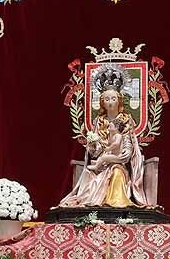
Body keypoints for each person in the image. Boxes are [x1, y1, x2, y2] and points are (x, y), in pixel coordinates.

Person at [59, 64, 148, 208]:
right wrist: (94, 145)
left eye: (113, 98)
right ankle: (93, 204)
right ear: (102, 103)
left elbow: (128, 142)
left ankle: (115, 204)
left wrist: (126, 151)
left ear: (119, 100)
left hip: (118, 163)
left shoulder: (125, 119)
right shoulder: (99, 121)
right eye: (107, 99)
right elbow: (95, 151)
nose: (110, 102)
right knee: (90, 174)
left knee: (117, 174)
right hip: (101, 164)